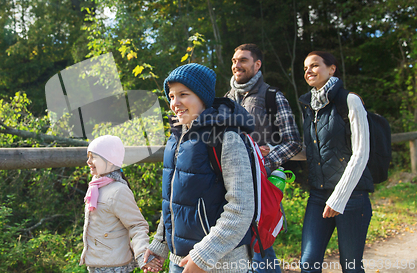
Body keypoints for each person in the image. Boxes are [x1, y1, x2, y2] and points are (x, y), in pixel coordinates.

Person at [143, 63, 256, 273]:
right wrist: (160, 243)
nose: (175, 103)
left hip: (222, 263)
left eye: (183, 94)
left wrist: (204, 255)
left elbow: (241, 207)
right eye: (171, 96)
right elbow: (173, 201)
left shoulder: (226, 138)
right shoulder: (176, 138)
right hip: (180, 261)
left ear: (202, 97)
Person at [226, 43, 302, 272]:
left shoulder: (272, 96)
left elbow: (293, 142)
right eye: (234, 61)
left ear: (257, 65)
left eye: (243, 60)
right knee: (240, 249)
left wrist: (263, 161)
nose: (236, 65)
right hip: (230, 187)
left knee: (260, 247)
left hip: (261, 187)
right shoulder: (226, 100)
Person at [299, 51, 372, 273]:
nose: (308, 71)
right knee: (308, 265)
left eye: (314, 65)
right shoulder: (309, 106)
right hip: (319, 195)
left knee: (350, 266)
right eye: (305, 68)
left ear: (332, 69)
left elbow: (361, 152)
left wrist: (339, 198)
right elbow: (313, 149)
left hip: (352, 196)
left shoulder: (350, 100)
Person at [79, 135, 160, 273]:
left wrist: (142, 255)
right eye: (88, 157)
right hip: (96, 264)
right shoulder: (95, 187)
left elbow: (137, 225)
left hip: (115, 267)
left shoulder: (119, 191)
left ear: (110, 162)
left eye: (93, 157)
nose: (88, 161)